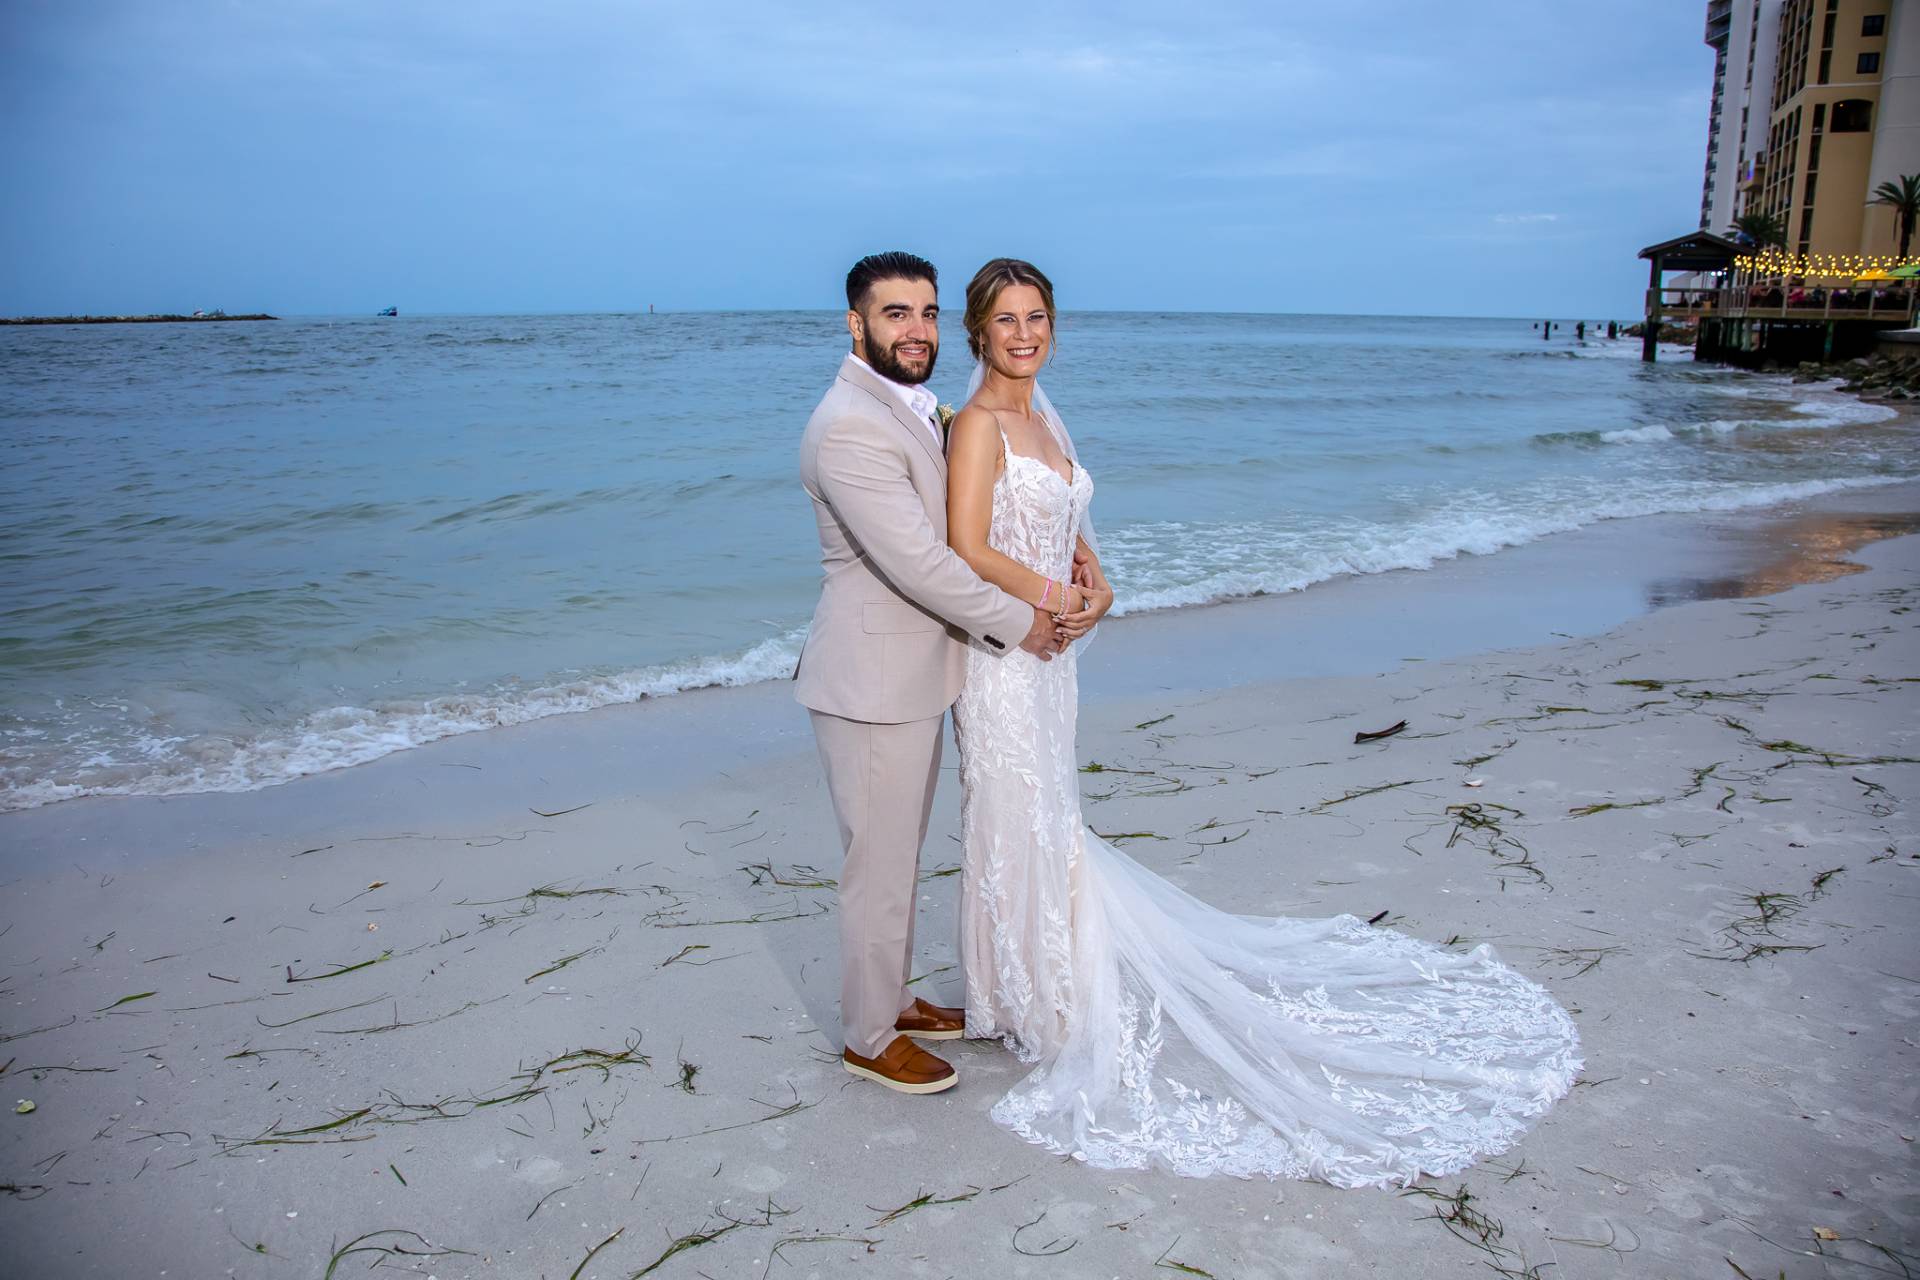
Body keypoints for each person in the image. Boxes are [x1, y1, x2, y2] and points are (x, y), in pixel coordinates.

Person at [944, 258, 1581, 1186]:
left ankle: (1031, 989)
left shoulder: (1046, 418)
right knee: (1010, 811)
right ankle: (1018, 996)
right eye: (1006, 320)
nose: (1025, 333)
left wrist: (1099, 583)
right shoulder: (977, 425)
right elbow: (968, 544)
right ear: (979, 332)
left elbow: (1066, 522)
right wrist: (1047, 596)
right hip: (1003, 659)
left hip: (1056, 654)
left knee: (1048, 813)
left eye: (1037, 316)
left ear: (1054, 325)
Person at [794, 252, 1069, 1096]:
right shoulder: (847, 425)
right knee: (877, 865)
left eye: (926, 313)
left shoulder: (906, 408)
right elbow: (921, 564)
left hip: (916, 671)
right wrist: (1024, 623)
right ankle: (869, 1038)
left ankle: (894, 996)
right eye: (894, 314)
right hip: (872, 680)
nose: (915, 330)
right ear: (855, 323)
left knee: (897, 855)